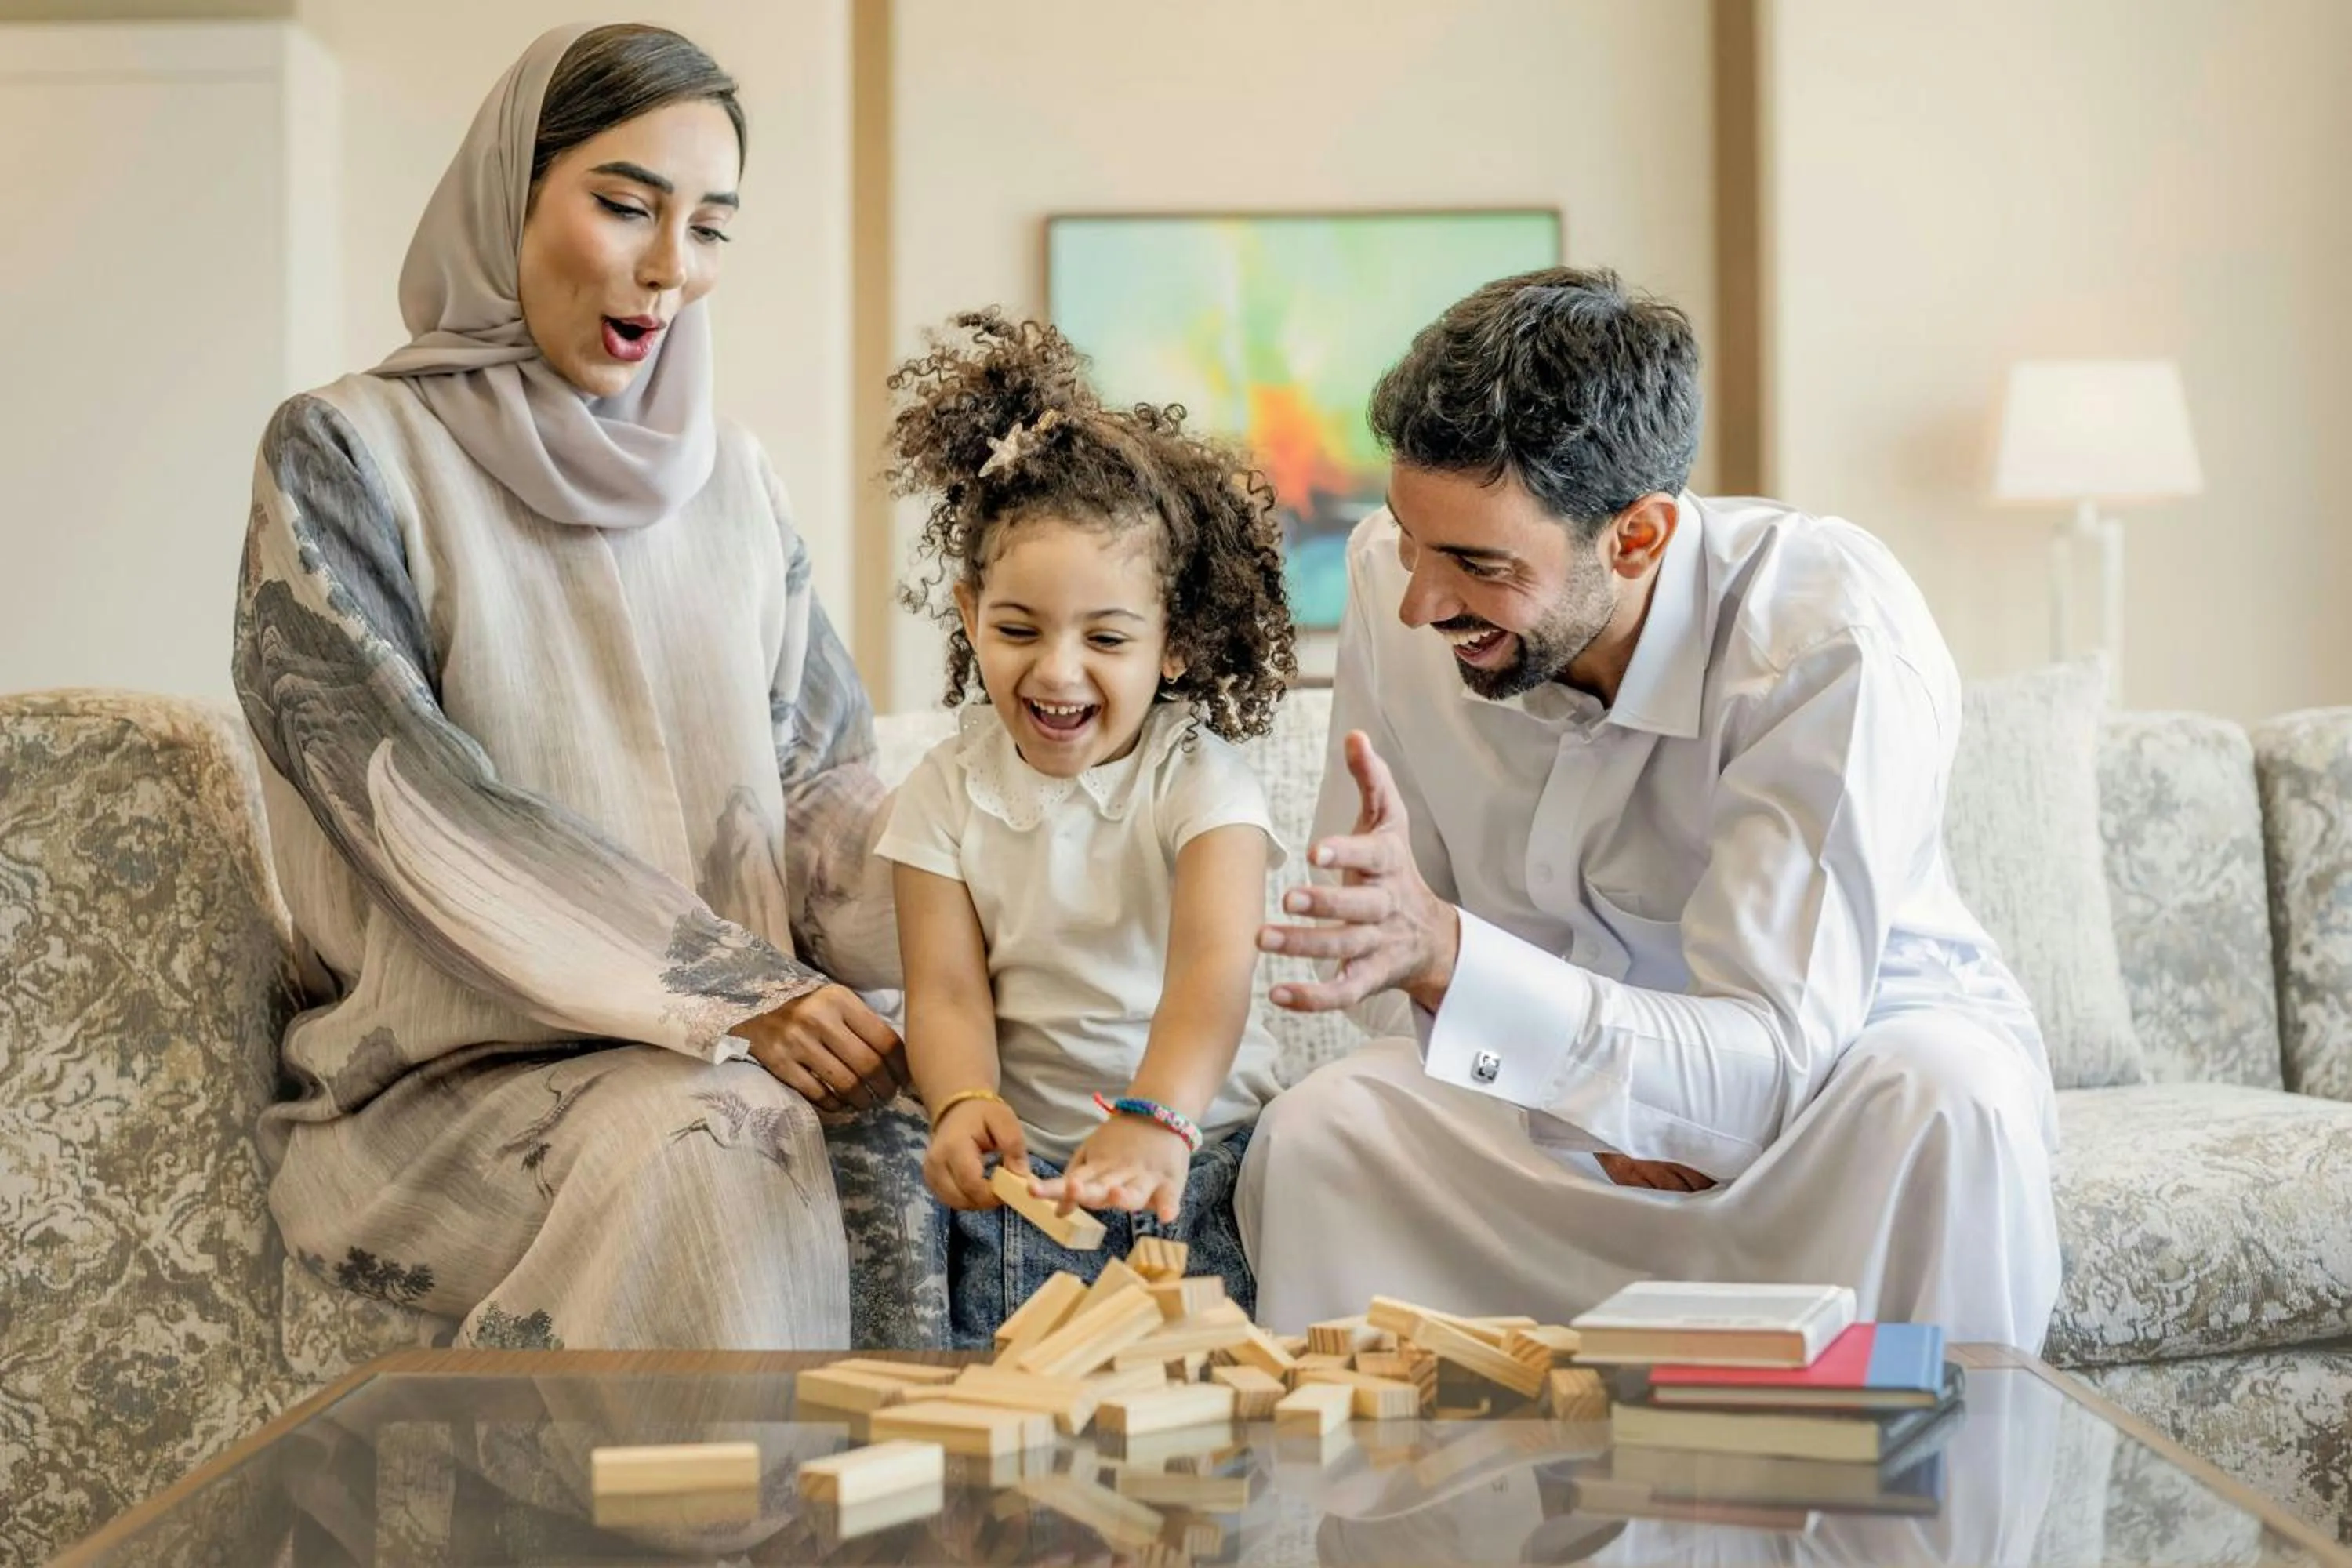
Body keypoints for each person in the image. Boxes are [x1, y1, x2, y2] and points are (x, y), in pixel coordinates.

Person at [1238, 267, 2062, 1349]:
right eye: (1407, 538)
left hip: (1825, 1104)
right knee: (1321, 1132)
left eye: (1477, 565)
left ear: (1637, 537)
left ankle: (1895, 1495)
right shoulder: (1404, 595)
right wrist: (1572, 1095)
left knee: (1949, 1100)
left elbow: (1769, 1054)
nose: (1419, 602)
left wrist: (1479, 982)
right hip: (1539, 1117)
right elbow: (1387, 962)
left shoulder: (1824, 639)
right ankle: (1414, 1503)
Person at [233, 23, 900, 1351]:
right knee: (719, 1144)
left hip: (719, 1043)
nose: (672, 270)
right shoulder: (347, 452)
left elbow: (823, 787)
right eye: (623, 205)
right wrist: (733, 991)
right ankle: (714, 1545)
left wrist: (1005, 885)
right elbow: (414, 805)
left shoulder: (736, 480)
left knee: (976, 1118)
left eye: (710, 227)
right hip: (455, 1091)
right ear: (507, 193)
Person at [876, 310, 1295, 1343]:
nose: (1056, 670)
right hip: (1034, 1177)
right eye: (1018, 629)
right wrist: (962, 1098)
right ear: (971, 616)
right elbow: (943, 989)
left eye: (1106, 637)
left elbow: (1213, 975)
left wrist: (1157, 1120)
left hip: (1199, 1154)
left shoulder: (1203, 787)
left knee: (1197, 1429)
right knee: (1025, 1432)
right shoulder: (945, 789)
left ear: (1177, 647)